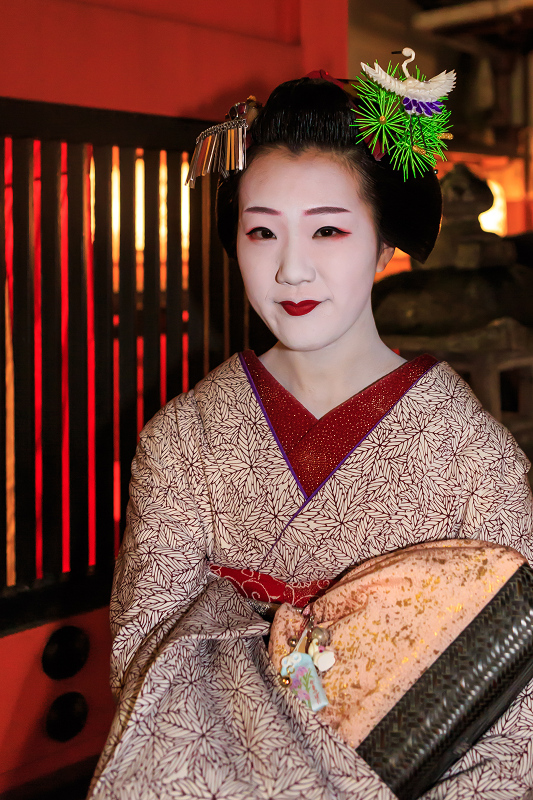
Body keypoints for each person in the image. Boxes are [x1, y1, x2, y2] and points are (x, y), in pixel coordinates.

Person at [88, 74, 533, 800]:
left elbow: (515, 709)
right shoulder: (182, 440)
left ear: (384, 243)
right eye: (262, 230)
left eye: (327, 228)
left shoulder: (472, 457)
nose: (290, 267)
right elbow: (144, 669)